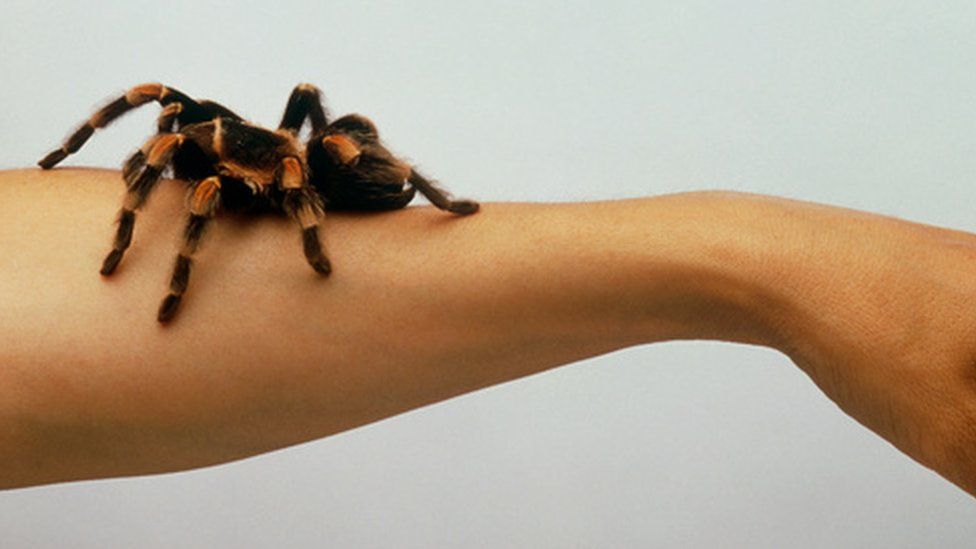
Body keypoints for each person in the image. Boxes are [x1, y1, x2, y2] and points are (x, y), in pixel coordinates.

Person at [0, 167, 973, 497]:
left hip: (331, 184)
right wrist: (769, 260)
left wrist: (774, 262)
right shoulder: (215, 167)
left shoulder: (271, 174)